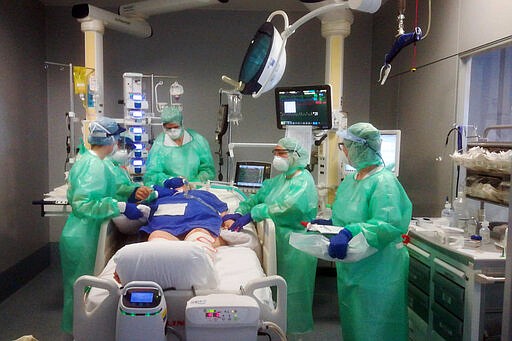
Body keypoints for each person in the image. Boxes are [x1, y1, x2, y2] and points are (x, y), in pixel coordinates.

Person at [312, 122, 412, 341]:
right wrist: (328, 224)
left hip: (379, 269)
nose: (344, 152)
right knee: (355, 322)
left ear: (360, 148)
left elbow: (387, 224)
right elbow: (345, 216)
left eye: (346, 146)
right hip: (353, 267)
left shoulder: (384, 182)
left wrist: (350, 231)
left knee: (377, 325)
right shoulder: (351, 181)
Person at [59, 117, 147, 334]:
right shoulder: (93, 165)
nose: (118, 143)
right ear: (109, 139)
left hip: (85, 231)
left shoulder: (96, 162)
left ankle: (80, 332)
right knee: (80, 291)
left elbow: (111, 189)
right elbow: (83, 205)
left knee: (82, 291)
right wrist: (120, 206)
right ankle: (77, 334)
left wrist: (129, 196)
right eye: (117, 138)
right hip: (83, 235)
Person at [223, 137, 318, 337]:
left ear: (295, 156)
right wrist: (242, 211)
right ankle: (277, 331)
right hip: (280, 244)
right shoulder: (281, 180)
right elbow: (259, 196)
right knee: (277, 296)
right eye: (275, 153)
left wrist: (255, 214)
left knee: (293, 297)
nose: (277, 158)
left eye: (282, 153)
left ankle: (295, 335)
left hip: (296, 248)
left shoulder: (303, 181)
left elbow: (287, 208)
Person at [139, 177, 229, 256]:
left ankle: (199, 251)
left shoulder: (201, 194)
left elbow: (222, 211)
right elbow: (141, 210)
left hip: (197, 223)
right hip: (164, 227)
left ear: (188, 185)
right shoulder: (157, 197)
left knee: (198, 235)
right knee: (157, 237)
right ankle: (165, 258)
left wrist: (228, 220)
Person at [144, 105, 216, 186]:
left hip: (197, 190)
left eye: (175, 127)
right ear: (163, 126)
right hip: (171, 192)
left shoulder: (198, 141)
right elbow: (152, 175)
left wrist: (194, 184)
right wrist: (170, 182)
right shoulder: (159, 146)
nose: (172, 130)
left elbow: (208, 170)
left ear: (182, 123)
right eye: (168, 128)